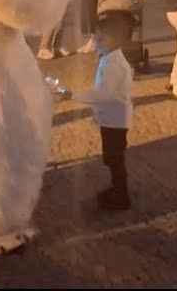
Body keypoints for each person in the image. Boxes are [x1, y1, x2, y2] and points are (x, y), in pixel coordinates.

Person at [61, 11, 135, 211]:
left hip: (115, 121)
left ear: (115, 39)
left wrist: (73, 95)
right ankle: (117, 189)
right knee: (112, 157)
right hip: (112, 119)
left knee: (114, 158)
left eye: (101, 38)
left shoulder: (113, 63)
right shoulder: (110, 58)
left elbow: (102, 94)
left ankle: (121, 195)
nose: (97, 42)